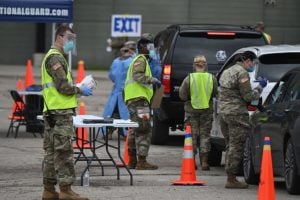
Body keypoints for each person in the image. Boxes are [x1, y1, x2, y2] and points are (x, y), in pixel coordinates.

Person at [41, 25, 91, 200]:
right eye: (69, 38)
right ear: (59, 37)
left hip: (52, 111)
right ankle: (65, 190)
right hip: (60, 113)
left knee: (51, 152)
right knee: (63, 152)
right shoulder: (55, 58)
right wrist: (80, 89)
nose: (71, 43)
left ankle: (48, 190)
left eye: (73, 39)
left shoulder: (54, 57)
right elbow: (63, 87)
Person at [218, 51, 268, 189]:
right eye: (253, 62)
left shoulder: (227, 71)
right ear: (247, 60)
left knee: (230, 144)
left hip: (223, 113)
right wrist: (260, 87)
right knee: (237, 145)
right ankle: (231, 179)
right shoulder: (242, 73)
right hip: (236, 114)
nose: (253, 65)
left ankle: (230, 174)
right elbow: (248, 97)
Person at [123, 33, 161, 170]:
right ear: (142, 46)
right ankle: (141, 161)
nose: (152, 49)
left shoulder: (139, 59)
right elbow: (138, 76)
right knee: (144, 129)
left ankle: (132, 160)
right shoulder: (141, 60)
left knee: (135, 129)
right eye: (149, 46)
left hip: (134, 99)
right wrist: (153, 80)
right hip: (139, 100)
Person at [179, 55, 218, 171]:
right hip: (207, 111)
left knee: (192, 137)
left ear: (194, 65)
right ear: (205, 65)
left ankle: (192, 161)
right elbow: (215, 93)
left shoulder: (189, 78)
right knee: (205, 136)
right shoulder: (212, 78)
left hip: (191, 111)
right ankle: (205, 162)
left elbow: (182, 95)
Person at [103, 41, 137, 140]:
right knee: (125, 114)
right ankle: (124, 131)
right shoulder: (133, 61)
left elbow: (112, 76)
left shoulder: (116, 61)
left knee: (113, 112)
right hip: (128, 93)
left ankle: (109, 131)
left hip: (116, 94)